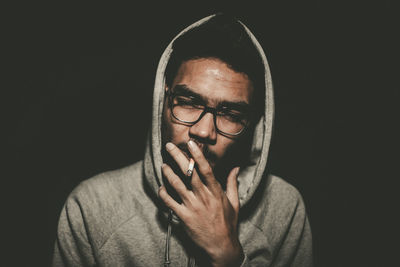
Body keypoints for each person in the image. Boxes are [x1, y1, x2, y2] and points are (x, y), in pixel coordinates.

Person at [52, 14, 313, 267]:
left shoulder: (284, 208)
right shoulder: (93, 206)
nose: (204, 131)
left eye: (231, 114)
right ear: (162, 102)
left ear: (254, 126)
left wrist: (228, 257)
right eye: (188, 103)